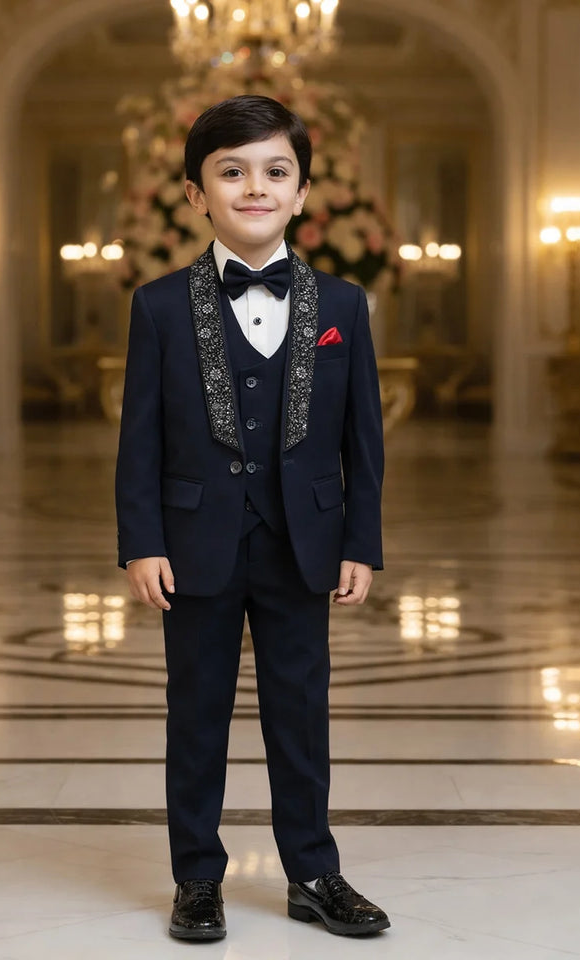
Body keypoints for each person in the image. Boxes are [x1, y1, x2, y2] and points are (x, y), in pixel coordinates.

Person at [115, 94, 388, 942]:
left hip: (304, 540)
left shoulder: (341, 306)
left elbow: (363, 439)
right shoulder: (159, 306)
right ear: (197, 194)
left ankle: (313, 869)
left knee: (300, 710)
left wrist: (361, 542)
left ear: (303, 192)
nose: (255, 188)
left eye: (276, 172)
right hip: (193, 541)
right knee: (195, 711)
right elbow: (140, 439)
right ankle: (197, 877)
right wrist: (142, 542)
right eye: (231, 172)